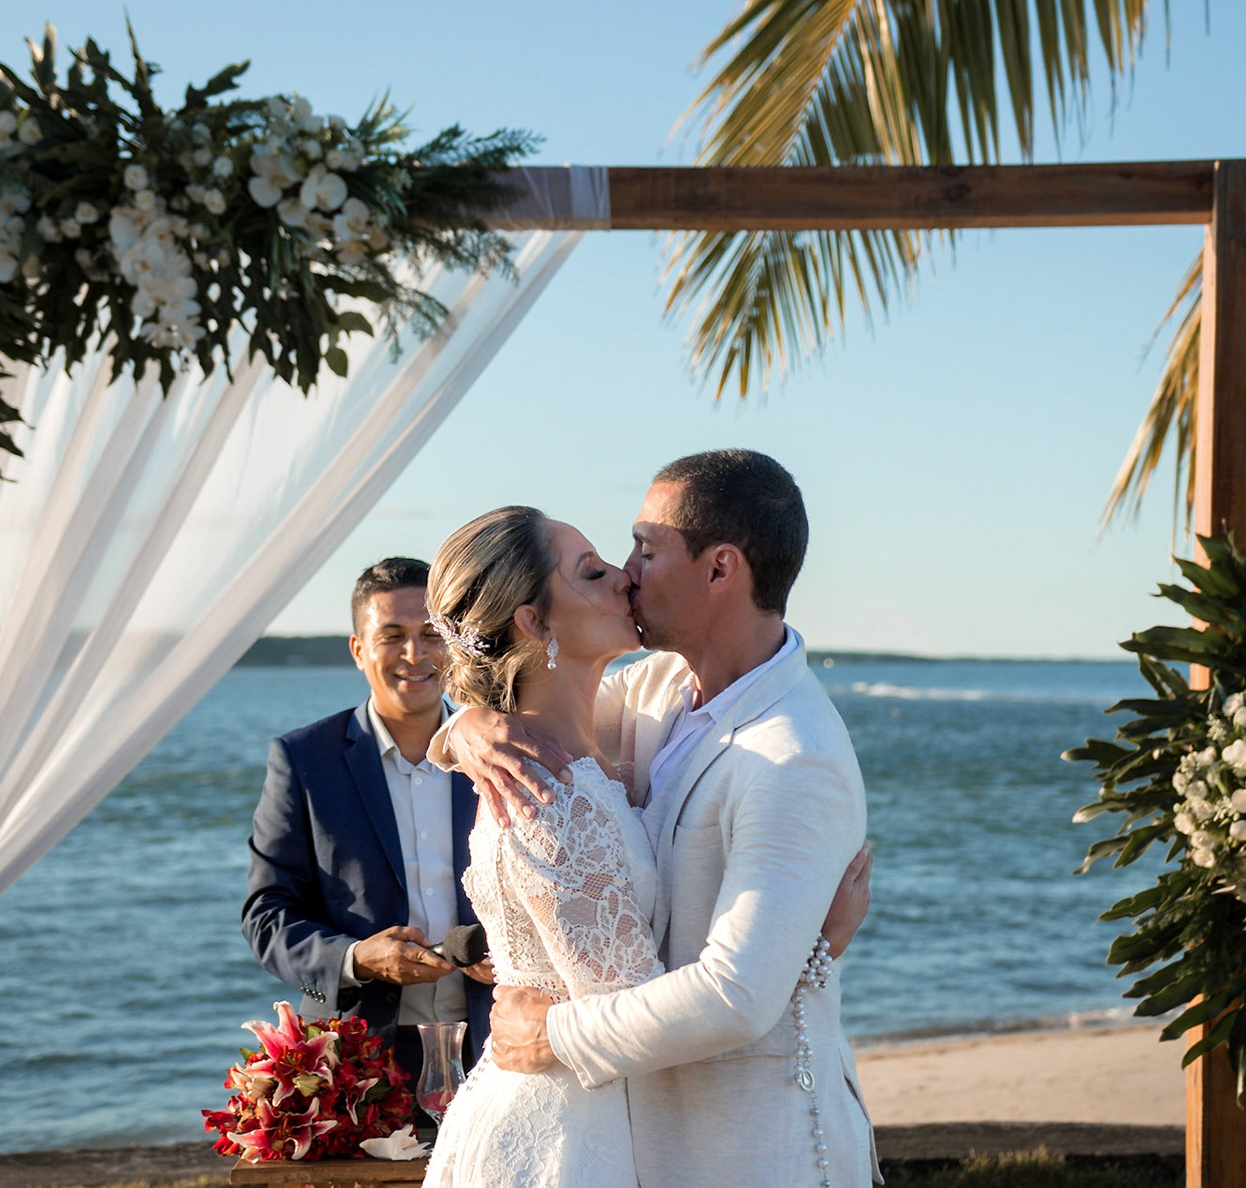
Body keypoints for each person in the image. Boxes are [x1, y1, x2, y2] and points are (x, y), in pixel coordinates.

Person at [436, 451, 878, 1186]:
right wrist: (466, 726)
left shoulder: (794, 756)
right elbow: (537, 712)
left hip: (748, 1145)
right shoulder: (663, 687)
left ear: (719, 569)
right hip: (623, 1136)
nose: (627, 571)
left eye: (646, 549)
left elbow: (735, 994)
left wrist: (551, 1033)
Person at [241, 557, 493, 1082]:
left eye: (432, 634)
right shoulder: (303, 760)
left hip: (497, 1044)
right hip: (358, 1059)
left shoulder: (500, 748)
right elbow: (266, 915)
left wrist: (517, 953)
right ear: (358, 649)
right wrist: (357, 959)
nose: (414, 654)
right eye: (393, 635)